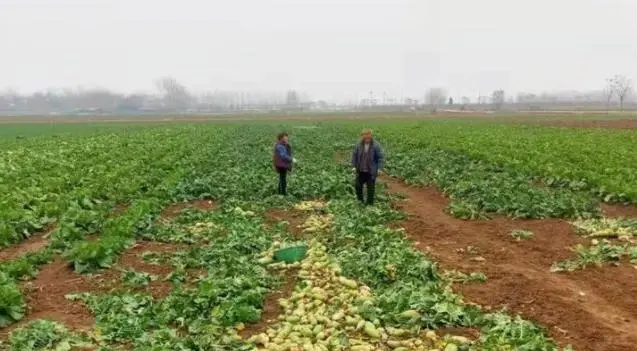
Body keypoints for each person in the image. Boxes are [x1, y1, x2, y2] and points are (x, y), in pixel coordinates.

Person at [351, 128, 384, 205]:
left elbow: (380, 157)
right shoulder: (358, 145)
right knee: (358, 186)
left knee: (370, 188)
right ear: (362, 137)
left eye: (369, 138)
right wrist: (354, 166)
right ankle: (360, 201)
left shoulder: (376, 145)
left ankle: (369, 204)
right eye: (365, 138)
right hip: (361, 170)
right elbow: (354, 155)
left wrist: (379, 168)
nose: (367, 139)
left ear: (371, 136)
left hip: (371, 171)